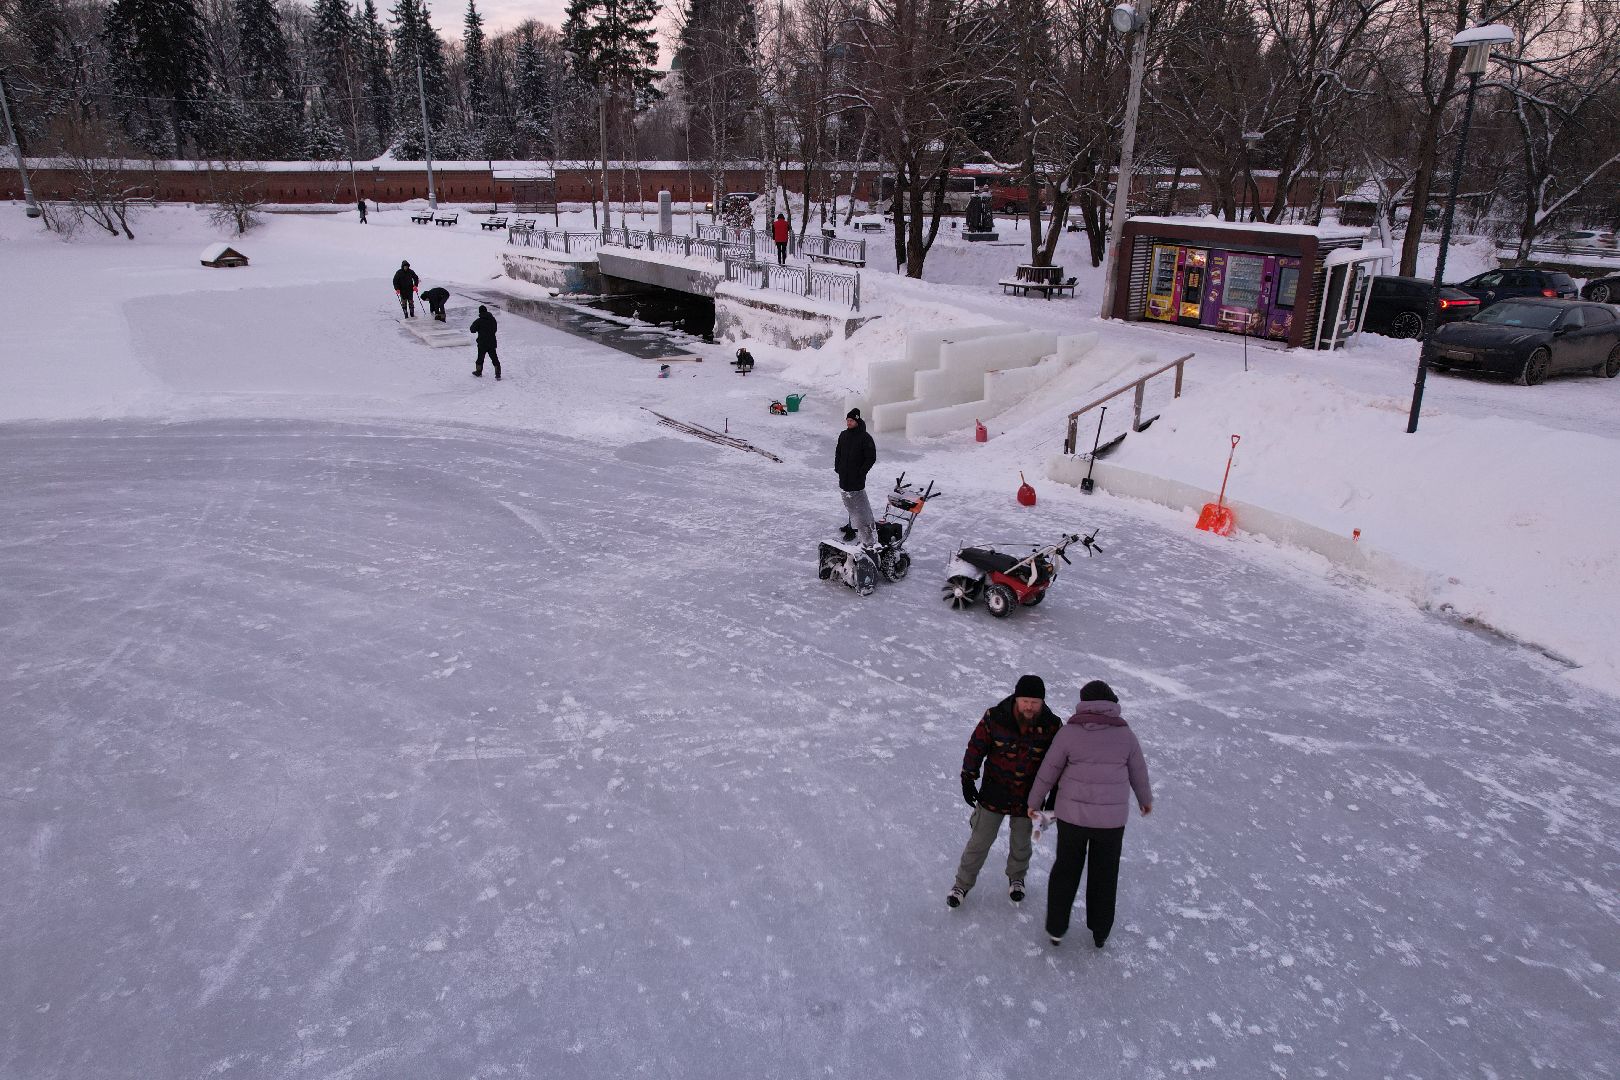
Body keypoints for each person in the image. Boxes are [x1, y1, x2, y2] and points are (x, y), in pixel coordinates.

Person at [1027, 680, 1152, 949]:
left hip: (1073, 819)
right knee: (1105, 875)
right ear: (1112, 703)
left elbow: (1048, 770)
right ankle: (1100, 931)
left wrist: (1034, 802)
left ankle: (1056, 929)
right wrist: (1145, 800)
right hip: (1111, 824)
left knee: (1066, 871)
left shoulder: (1069, 733)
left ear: (1084, 702)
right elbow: (1138, 772)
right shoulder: (1126, 735)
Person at [947, 675, 1062, 909]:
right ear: (1016, 698)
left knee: (1021, 842)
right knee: (979, 840)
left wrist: (1054, 794)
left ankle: (1017, 878)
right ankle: (962, 884)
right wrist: (968, 777)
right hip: (994, 790)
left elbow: (1059, 761)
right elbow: (976, 747)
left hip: (1029, 796)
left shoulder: (1052, 725)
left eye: (1035, 702)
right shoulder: (995, 717)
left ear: (1042, 702)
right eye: (1025, 701)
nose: (1029, 706)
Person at [833, 408, 877, 549]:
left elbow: (871, 457)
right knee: (849, 502)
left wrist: (861, 472)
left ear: (857, 421)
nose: (848, 423)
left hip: (856, 478)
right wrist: (838, 468)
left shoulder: (865, 438)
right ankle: (851, 523)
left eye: (851, 420)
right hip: (844, 476)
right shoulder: (843, 435)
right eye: (847, 420)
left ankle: (854, 529)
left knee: (858, 505)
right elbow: (838, 452)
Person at [470, 304, 501, 380]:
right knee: (494, 358)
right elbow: (495, 329)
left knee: (480, 358)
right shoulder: (493, 319)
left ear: (480, 312)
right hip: (492, 342)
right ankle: (498, 373)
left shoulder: (479, 321)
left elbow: (472, 330)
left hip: (482, 343)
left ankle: (478, 372)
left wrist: (479, 329)